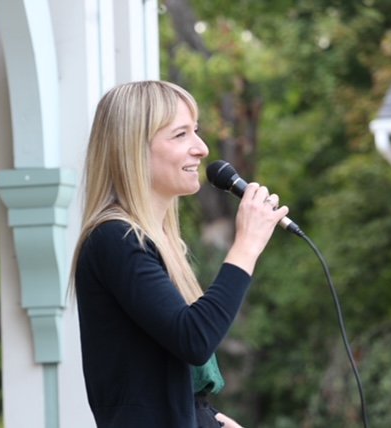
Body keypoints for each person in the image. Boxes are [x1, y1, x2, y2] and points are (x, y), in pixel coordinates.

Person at [72, 80, 289, 428]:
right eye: (180, 135)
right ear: (134, 149)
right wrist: (246, 245)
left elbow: (159, 381)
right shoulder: (115, 238)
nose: (202, 149)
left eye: (197, 131)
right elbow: (194, 338)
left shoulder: (156, 243)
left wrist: (209, 419)